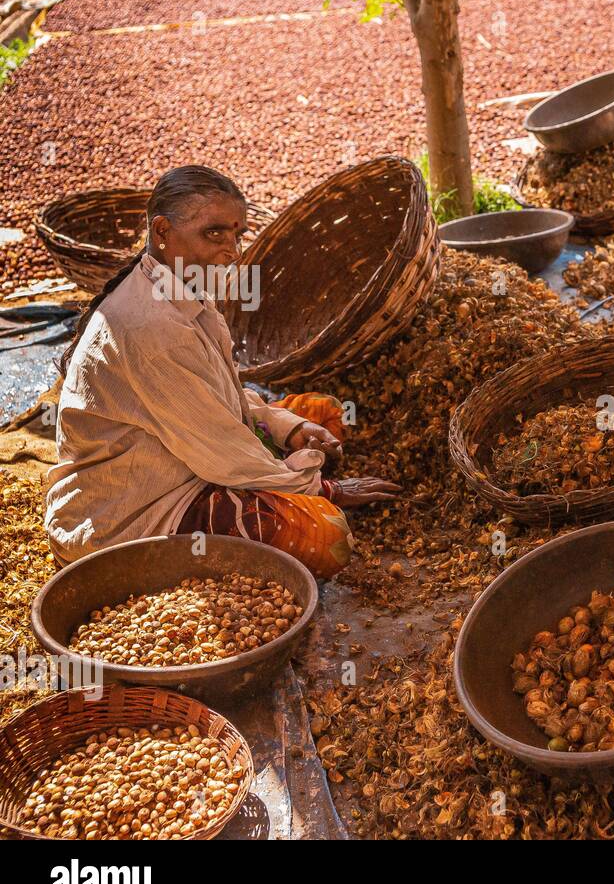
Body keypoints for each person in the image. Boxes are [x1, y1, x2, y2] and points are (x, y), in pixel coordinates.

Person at [45, 165, 399, 579]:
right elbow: (224, 455)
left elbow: (222, 394)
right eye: (214, 233)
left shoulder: (185, 292)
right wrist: (327, 490)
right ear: (162, 232)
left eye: (238, 234)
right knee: (325, 536)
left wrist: (288, 428)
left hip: (194, 455)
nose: (232, 252)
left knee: (323, 414)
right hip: (134, 512)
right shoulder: (150, 327)